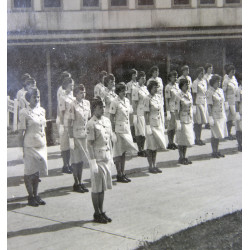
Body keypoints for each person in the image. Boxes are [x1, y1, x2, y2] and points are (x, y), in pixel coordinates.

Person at [18, 87, 48, 206]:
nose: (36, 99)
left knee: (37, 172)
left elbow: (43, 129)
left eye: (38, 97)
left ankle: (36, 194)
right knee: (29, 171)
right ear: (28, 99)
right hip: (29, 146)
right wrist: (22, 150)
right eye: (34, 97)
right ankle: (30, 196)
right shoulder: (24, 112)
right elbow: (21, 133)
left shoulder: (42, 110)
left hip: (40, 144)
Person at [87, 98, 113, 224]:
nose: (102, 109)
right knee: (96, 187)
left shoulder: (106, 121)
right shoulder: (91, 124)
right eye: (99, 108)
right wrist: (92, 163)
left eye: (103, 107)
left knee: (102, 187)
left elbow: (109, 141)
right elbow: (90, 145)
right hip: (97, 159)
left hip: (106, 157)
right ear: (94, 109)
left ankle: (101, 211)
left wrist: (111, 156)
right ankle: (96, 213)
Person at [109, 82, 137, 183]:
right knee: (118, 152)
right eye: (122, 91)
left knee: (124, 152)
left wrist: (132, 125)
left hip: (126, 128)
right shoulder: (114, 102)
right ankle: (119, 174)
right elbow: (111, 117)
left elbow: (129, 113)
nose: (124, 92)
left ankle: (123, 172)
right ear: (118, 92)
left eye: (125, 90)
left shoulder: (127, 101)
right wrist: (112, 132)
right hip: (118, 130)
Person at [69, 84, 90, 193]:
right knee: (76, 160)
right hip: (76, 135)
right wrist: (71, 138)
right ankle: (76, 183)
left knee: (81, 160)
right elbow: (69, 123)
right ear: (76, 94)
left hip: (85, 134)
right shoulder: (72, 105)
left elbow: (89, 119)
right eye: (81, 92)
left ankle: (80, 182)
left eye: (84, 92)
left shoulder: (87, 103)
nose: (83, 94)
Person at [144, 80, 166, 173]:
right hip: (151, 124)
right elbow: (146, 113)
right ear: (150, 89)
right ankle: (150, 166)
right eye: (154, 88)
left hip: (158, 123)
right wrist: (148, 126)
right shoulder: (147, 98)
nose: (156, 89)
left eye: (157, 87)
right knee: (151, 146)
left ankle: (154, 164)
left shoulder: (158, 97)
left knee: (155, 146)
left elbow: (160, 111)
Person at [206, 75, 228, 158]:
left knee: (219, 134)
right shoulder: (209, 92)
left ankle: (217, 150)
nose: (218, 83)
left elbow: (222, 102)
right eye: (217, 82)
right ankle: (214, 151)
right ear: (213, 82)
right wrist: (210, 117)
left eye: (219, 82)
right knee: (214, 134)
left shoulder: (220, 91)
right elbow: (209, 106)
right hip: (214, 115)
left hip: (221, 114)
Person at [176, 78, 195, 165]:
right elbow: (177, 110)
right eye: (185, 85)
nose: (187, 86)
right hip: (182, 119)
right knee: (181, 139)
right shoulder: (178, 95)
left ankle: (184, 156)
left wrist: (192, 118)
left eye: (187, 85)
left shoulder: (189, 94)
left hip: (189, 118)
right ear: (181, 86)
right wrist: (177, 121)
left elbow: (191, 107)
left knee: (187, 139)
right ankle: (181, 157)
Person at [58, 77, 75, 174]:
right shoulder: (62, 97)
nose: (72, 87)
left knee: (71, 145)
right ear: (66, 86)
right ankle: (65, 165)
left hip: (72, 123)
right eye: (70, 85)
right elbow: (61, 112)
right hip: (65, 123)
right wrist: (61, 125)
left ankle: (70, 164)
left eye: (73, 85)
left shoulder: (73, 97)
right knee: (65, 145)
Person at [131, 71, 149, 157]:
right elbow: (134, 103)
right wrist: (134, 115)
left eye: (145, 78)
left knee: (144, 132)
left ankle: (143, 148)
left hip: (145, 112)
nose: (144, 79)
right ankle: (140, 149)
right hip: (139, 111)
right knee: (139, 132)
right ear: (138, 79)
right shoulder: (135, 89)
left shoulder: (145, 88)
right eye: (142, 78)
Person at [192, 67, 209, 146]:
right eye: (201, 73)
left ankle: (200, 138)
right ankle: (196, 138)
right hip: (198, 102)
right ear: (198, 73)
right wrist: (194, 106)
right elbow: (194, 94)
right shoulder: (195, 82)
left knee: (202, 121)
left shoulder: (204, 81)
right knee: (197, 122)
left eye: (203, 73)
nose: (202, 75)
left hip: (204, 102)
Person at [222, 64, 238, 140]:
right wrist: (225, 102)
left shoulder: (234, 79)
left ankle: (230, 133)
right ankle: (227, 133)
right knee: (229, 118)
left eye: (234, 71)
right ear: (229, 72)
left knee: (233, 118)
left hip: (234, 100)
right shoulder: (226, 80)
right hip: (228, 100)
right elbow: (224, 92)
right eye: (232, 71)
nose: (233, 72)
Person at [164, 70, 180, 150]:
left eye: (176, 76)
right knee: (171, 126)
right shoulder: (168, 87)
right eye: (174, 77)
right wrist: (168, 111)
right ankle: (170, 143)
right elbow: (167, 100)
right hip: (171, 107)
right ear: (170, 78)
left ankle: (173, 142)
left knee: (176, 126)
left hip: (178, 108)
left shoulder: (177, 85)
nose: (175, 78)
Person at [126, 69, 138, 142]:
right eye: (133, 75)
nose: (135, 76)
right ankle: (133, 136)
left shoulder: (138, 84)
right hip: (132, 103)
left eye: (136, 74)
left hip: (138, 104)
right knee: (132, 120)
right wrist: (130, 105)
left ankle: (137, 135)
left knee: (138, 120)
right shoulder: (129, 84)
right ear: (131, 76)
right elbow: (129, 95)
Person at [203, 63, 214, 129]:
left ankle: (211, 121)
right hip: (207, 92)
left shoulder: (212, 76)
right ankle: (207, 122)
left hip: (213, 92)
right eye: (209, 68)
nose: (211, 69)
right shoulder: (205, 77)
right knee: (208, 108)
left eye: (211, 68)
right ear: (206, 69)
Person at [235, 74, 242, 152]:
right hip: (241, 111)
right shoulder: (239, 90)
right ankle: (240, 145)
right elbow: (237, 102)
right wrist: (237, 112)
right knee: (239, 129)